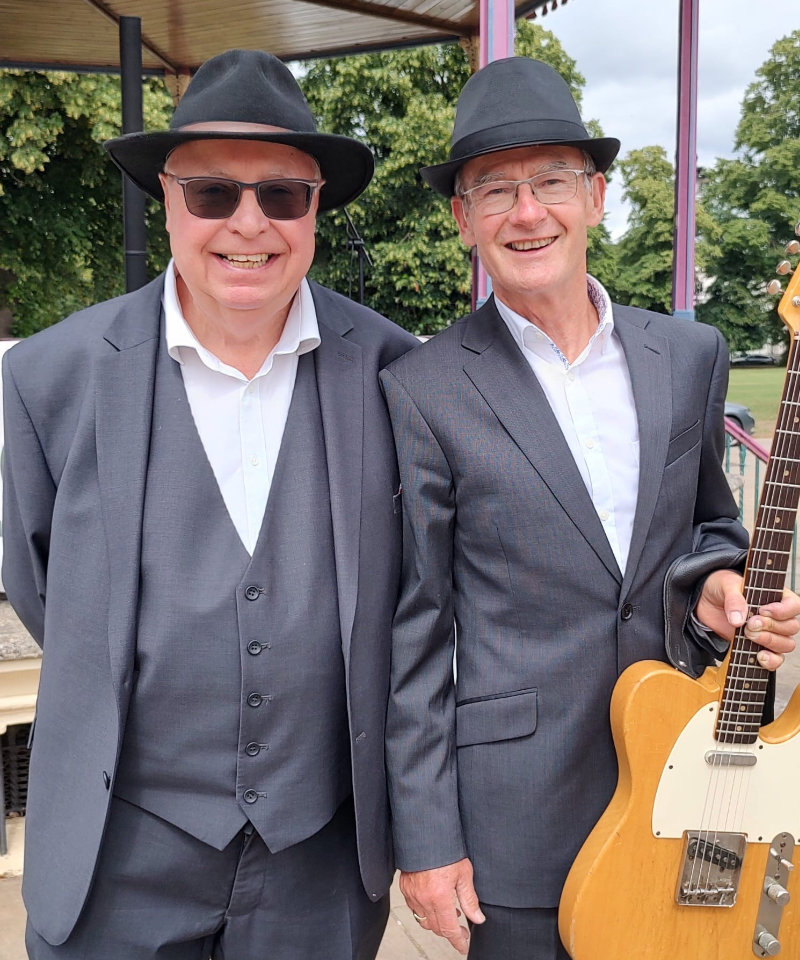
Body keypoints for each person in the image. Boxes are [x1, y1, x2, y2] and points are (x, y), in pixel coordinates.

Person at [379, 56, 799, 960]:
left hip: (692, 787)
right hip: (517, 819)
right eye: (494, 190)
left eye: (551, 181)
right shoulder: (423, 389)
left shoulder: (689, 354)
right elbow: (413, 631)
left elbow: (709, 528)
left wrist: (720, 585)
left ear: (597, 195)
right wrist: (426, 839)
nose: (527, 212)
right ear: (462, 221)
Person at [3, 48, 417, 960]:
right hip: (118, 856)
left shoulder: (396, 373)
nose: (248, 223)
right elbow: (49, 590)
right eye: (212, 194)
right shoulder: (46, 379)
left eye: (282, 195)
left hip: (323, 860)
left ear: (315, 210)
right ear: (165, 197)